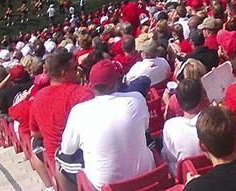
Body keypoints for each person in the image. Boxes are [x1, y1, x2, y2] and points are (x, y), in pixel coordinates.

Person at [56, 59, 153, 191]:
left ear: (90, 85)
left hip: (104, 187)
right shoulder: (137, 99)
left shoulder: (79, 112)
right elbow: (145, 127)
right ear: (116, 82)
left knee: (59, 160)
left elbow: (67, 150)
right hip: (147, 178)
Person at [28, 48, 93, 180]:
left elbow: (34, 133)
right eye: (75, 68)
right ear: (64, 73)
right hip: (81, 163)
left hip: (55, 163)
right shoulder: (82, 93)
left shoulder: (38, 97)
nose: (78, 70)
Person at [160, 77, 207, 175]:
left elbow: (167, 158)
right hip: (210, 171)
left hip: (185, 178)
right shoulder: (213, 121)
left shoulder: (170, 126)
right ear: (201, 98)